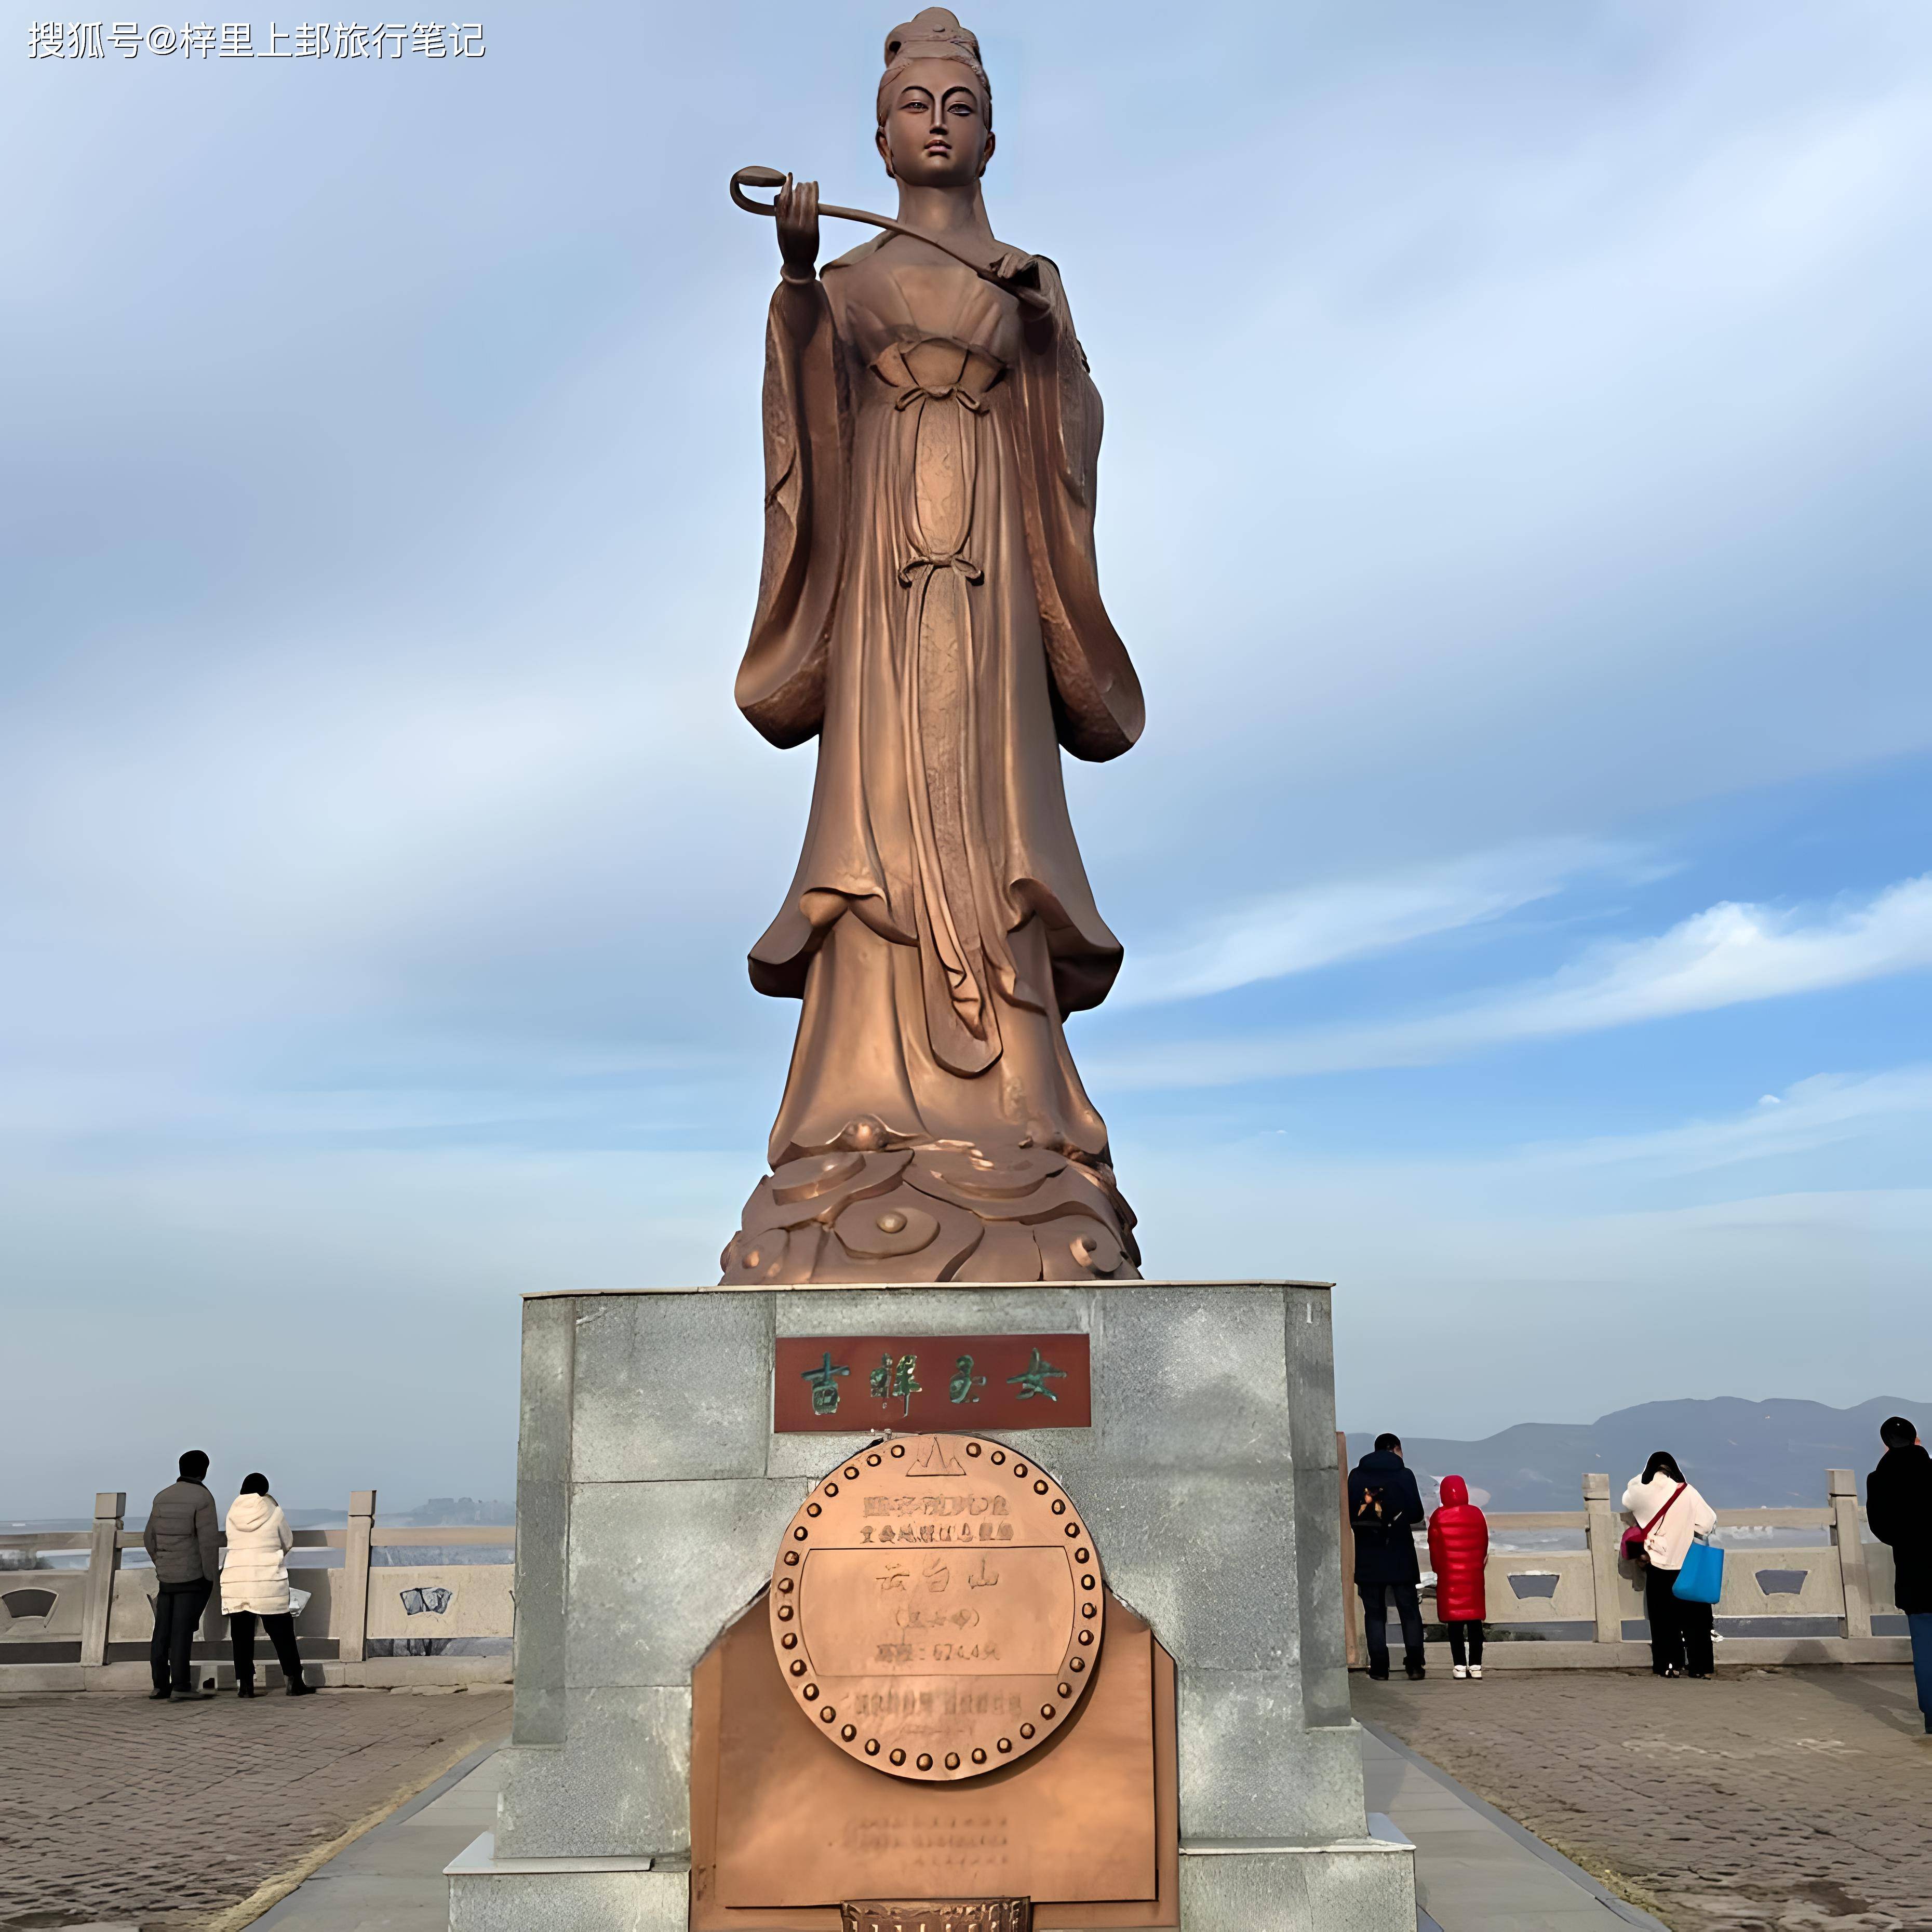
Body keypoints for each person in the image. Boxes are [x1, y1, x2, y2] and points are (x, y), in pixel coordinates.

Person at [1622, 1451, 1719, 1678]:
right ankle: (1700, 1667)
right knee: (1696, 1619)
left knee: (1663, 1619)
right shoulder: (1686, 1491)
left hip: (1657, 1564)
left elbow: (1628, 1502)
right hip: (1687, 1563)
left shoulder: (1641, 1492)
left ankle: (1669, 1665)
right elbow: (1707, 1524)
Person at [1867, 1414, 1931, 1734]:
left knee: (1924, 1648)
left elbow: (1882, 1530)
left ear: (1886, 1444)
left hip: (1914, 1574)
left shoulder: (1879, 1480)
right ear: (1917, 1439)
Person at [223, 1472, 313, 1698]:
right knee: (283, 1635)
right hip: (267, 1582)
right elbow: (287, 1542)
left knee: (241, 1637)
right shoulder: (273, 1510)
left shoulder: (232, 1513)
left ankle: (245, 1686)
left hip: (236, 1581)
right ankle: (293, 1681)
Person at [144, 1449, 219, 1702]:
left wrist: (161, 1563)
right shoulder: (203, 1498)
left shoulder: (161, 1497)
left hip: (166, 1577)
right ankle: (181, 1687)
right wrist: (210, 1577)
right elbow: (208, 1544)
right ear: (204, 1470)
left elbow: (149, 1538)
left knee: (162, 1631)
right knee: (182, 1632)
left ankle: (158, 1685)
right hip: (191, 1577)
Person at [1350, 1433, 1426, 1680]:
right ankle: (1415, 1666)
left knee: (1373, 1612)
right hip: (1399, 1551)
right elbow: (1416, 1514)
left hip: (1368, 1552)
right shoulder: (1404, 1475)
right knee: (1409, 1610)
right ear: (1395, 1449)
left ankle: (1380, 1668)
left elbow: (1350, 1512)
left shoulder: (1356, 1476)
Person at [1428, 1474, 1489, 1680]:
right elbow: (1484, 1546)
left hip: (1450, 1578)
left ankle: (1460, 1666)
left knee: (1454, 1625)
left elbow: (1435, 1551)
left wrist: (1440, 1570)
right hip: (1473, 1577)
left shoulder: (1438, 1516)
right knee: (1474, 1623)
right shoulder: (1477, 1514)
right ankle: (1477, 1665)